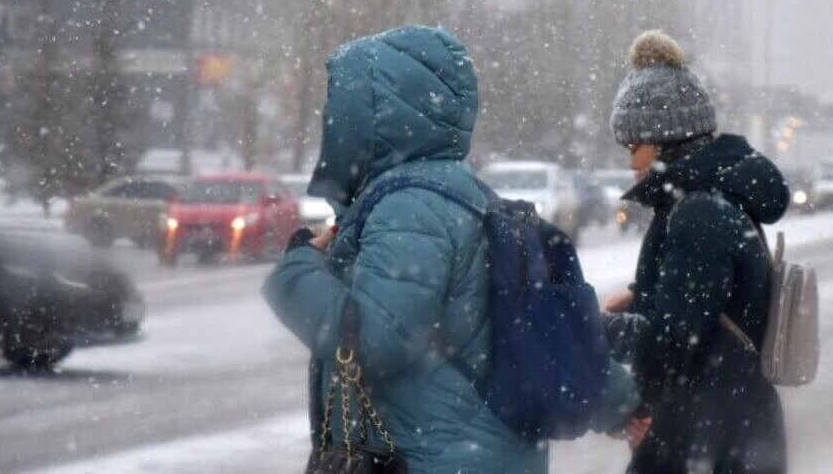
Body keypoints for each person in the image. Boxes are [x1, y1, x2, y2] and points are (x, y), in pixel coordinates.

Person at [262, 25, 640, 474]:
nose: (332, 122)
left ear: (378, 118)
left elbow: (372, 341)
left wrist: (296, 269)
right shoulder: (465, 195)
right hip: (481, 455)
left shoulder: (409, 207)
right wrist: (625, 406)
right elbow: (531, 332)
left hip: (429, 460)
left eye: (343, 108)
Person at [602, 30, 790, 474]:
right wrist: (642, 299)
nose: (632, 162)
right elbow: (702, 309)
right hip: (730, 427)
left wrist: (600, 327)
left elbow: (671, 344)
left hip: (706, 436)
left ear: (664, 140)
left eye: (635, 146)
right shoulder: (711, 200)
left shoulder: (697, 215)